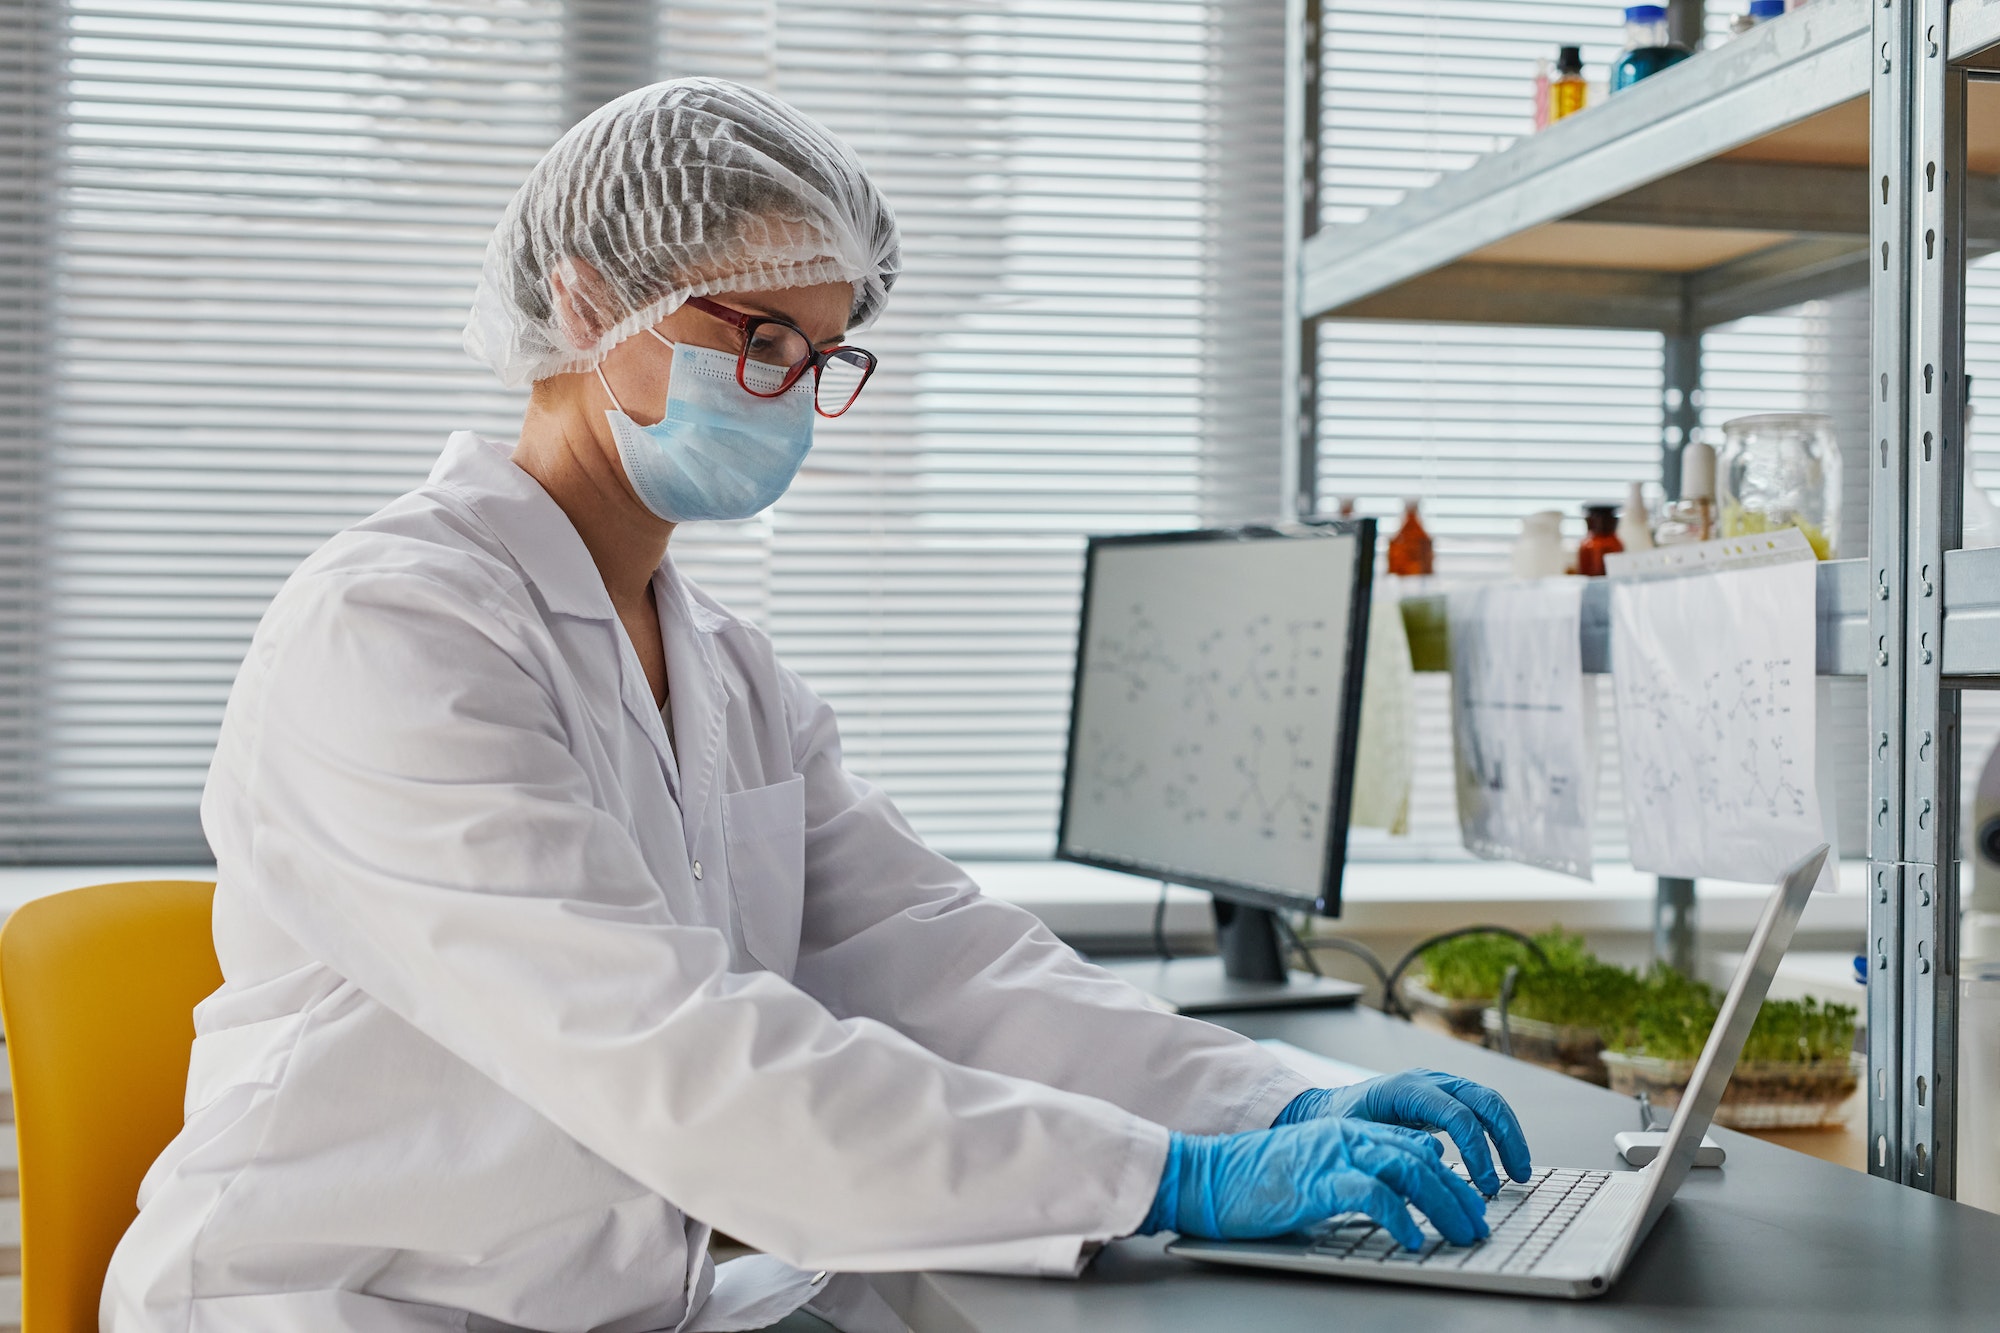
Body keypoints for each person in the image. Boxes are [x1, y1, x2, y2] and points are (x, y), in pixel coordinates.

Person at [102, 78, 1531, 1333]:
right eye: (762, 337)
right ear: (592, 299)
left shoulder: (720, 663)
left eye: (824, 355)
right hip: (349, 1305)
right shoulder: (392, 632)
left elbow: (940, 956)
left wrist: (1259, 1102)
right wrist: (1169, 1177)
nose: (791, 395)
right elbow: (677, 1056)